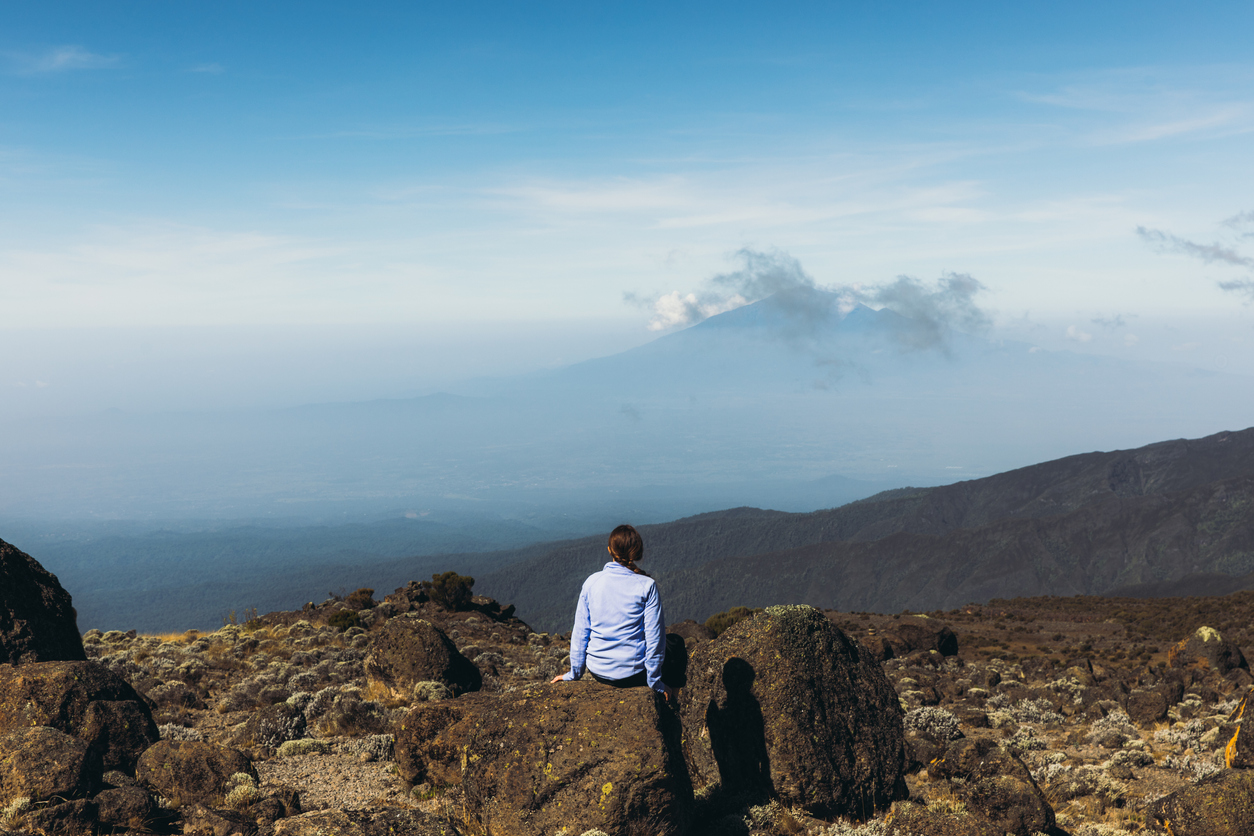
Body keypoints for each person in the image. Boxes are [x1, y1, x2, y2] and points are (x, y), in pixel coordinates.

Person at [550, 524, 686, 699]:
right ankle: (672, 703)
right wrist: (655, 683)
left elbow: (580, 633)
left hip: (597, 671)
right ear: (638, 552)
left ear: (609, 550)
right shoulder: (647, 585)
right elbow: (655, 638)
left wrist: (574, 674)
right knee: (675, 643)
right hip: (634, 674)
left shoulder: (592, 582)